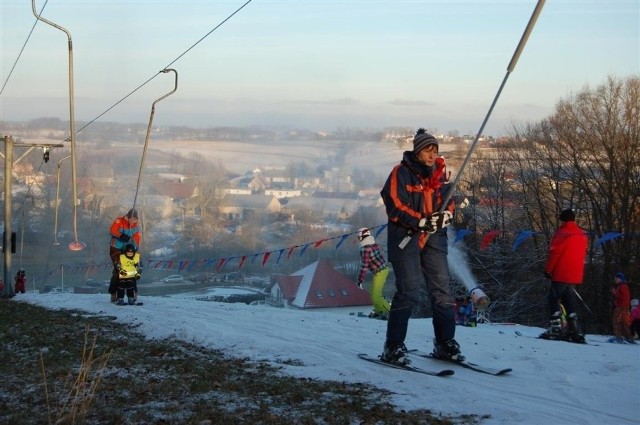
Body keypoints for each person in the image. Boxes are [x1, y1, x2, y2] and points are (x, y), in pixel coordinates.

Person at [379, 128, 459, 365]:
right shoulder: (400, 173)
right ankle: (393, 346)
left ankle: (445, 342)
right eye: (428, 149)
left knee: (441, 290)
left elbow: (449, 202)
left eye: (435, 150)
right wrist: (420, 221)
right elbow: (393, 203)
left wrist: (446, 216)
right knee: (409, 290)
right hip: (406, 236)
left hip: (435, 238)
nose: (432, 155)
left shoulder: (439, 175)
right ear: (417, 151)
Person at [541, 208, 588, 343]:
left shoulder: (562, 233)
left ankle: (556, 328)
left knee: (553, 298)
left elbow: (555, 253)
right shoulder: (581, 234)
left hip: (561, 272)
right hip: (575, 274)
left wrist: (548, 270)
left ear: (562, 219)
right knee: (568, 300)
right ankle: (573, 329)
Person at [356, 227, 391, 319]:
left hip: (380, 271)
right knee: (373, 293)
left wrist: (360, 280)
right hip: (382, 270)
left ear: (362, 237)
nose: (358, 239)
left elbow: (364, 265)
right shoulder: (373, 243)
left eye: (359, 237)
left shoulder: (365, 248)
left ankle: (386, 313)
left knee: (376, 294)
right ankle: (382, 311)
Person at [108, 209, 141, 302]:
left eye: (135, 219)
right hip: (116, 247)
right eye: (131, 218)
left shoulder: (135, 227)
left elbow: (137, 238)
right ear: (128, 217)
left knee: (131, 270)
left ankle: (133, 293)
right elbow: (112, 230)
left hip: (127, 250)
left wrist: (136, 248)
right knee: (118, 270)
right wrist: (121, 235)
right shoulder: (119, 221)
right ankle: (114, 293)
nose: (133, 221)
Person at [609, 272, 634, 343]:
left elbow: (623, 296)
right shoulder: (624, 286)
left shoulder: (622, 286)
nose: (615, 280)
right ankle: (629, 338)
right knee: (625, 323)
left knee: (616, 321)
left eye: (616, 278)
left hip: (621, 307)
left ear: (621, 279)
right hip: (625, 307)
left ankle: (618, 337)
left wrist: (615, 292)